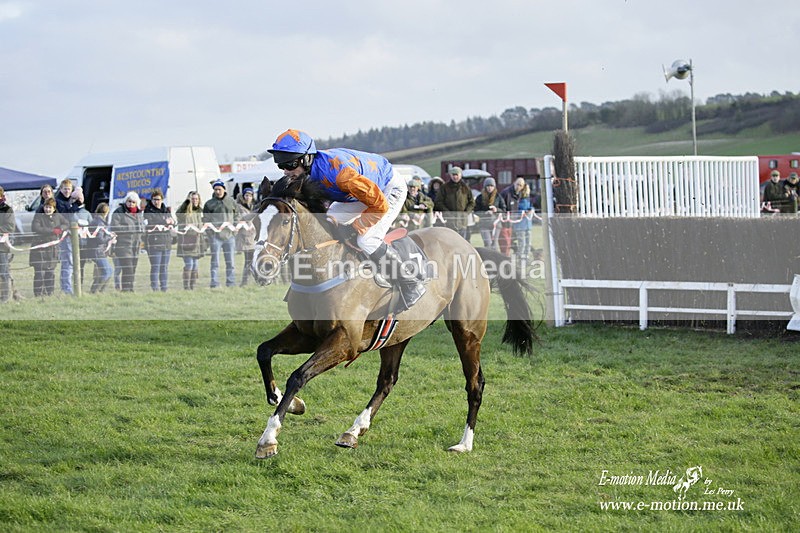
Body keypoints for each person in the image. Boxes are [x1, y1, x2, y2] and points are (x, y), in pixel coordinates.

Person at [267, 128, 425, 308]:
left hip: (386, 190)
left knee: (367, 240)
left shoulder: (341, 175)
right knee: (328, 222)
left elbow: (380, 205)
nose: (286, 171)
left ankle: (410, 282)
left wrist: (356, 226)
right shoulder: (307, 171)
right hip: (359, 193)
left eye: (290, 165)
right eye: (281, 166)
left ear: (306, 158)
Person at [29, 198, 68, 297]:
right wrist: (52, 231)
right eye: (46, 207)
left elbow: (66, 223)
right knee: (39, 274)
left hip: (52, 251)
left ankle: (49, 294)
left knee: (50, 273)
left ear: (54, 208)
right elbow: (36, 228)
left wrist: (61, 228)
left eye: (50, 207)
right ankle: (38, 295)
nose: (47, 209)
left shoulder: (58, 216)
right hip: (39, 251)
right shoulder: (39, 216)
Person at [203, 180, 238, 288]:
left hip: (229, 237)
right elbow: (205, 220)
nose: (218, 191)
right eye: (216, 189)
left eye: (219, 189)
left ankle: (231, 283)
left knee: (230, 262)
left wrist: (234, 229)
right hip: (215, 237)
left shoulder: (231, 202)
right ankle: (214, 283)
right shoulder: (209, 204)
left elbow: (237, 216)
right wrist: (210, 234)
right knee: (215, 262)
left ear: (224, 189)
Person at [111, 191, 144, 292]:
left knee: (133, 268)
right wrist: (130, 228)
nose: (131, 204)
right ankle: (125, 290)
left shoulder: (138, 213)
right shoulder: (119, 212)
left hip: (135, 245)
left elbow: (141, 227)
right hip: (123, 245)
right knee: (127, 268)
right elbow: (114, 227)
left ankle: (131, 289)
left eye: (133, 202)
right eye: (129, 201)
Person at [143, 189, 174, 292]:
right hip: (154, 242)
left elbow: (172, 222)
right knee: (155, 267)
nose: (156, 202)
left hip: (166, 241)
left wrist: (172, 222)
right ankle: (155, 288)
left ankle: (164, 288)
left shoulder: (166, 210)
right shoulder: (148, 211)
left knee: (164, 267)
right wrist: (164, 221)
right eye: (154, 199)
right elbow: (149, 224)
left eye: (158, 199)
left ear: (162, 199)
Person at [433, 167, 475, 240]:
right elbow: (438, 202)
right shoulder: (444, 187)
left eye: (457, 175)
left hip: (462, 221)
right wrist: (448, 213)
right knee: (450, 241)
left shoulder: (465, 187)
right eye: (453, 175)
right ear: (450, 175)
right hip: (449, 221)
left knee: (462, 242)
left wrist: (466, 212)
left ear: (460, 175)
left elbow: (472, 202)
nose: (455, 176)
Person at [54, 179, 80, 294]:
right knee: (68, 261)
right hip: (64, 234)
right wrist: (77, 204)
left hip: (72, 233)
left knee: (72, 261)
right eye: (65, 189)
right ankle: (66, 289)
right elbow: (66, 214)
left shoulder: (69, 199)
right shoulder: (58, 201)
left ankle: (72, 286)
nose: (67, 191)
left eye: (69, 189)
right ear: (61, 189)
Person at [176, 191, 205, 290]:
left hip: (197, 242)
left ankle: (192, 286)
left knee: (195, 265)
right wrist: (187, 202)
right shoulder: (184, 211)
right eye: (193, 199)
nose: (195, 201)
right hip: (187, 241)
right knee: (189, 264)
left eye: (196, 199)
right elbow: (178, 214)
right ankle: (186, 287)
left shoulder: (199, 211)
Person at [86, 202, 113, 293]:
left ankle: (96, 291)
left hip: (97, 250)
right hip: (97, 251)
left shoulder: (96, 221)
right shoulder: (99, 223)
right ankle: (96, 291)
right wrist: (110, 237)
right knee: (107, 272)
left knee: (106, 271)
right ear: (106, 212)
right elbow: (100, 239)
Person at [473, 177, 506, 249]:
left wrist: (496, 210)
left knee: (495, 244)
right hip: (484, 224)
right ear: (485, 187)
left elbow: (503, 210)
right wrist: (484, 213)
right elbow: (475, 210)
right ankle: (488, 258)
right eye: (488, 186)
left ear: (494, 187)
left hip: (496, 224)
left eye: (491, 186)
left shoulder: (498, 197)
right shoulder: (480, 197)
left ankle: (495, 259)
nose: (489, 188)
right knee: (487, 243)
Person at [70, 187, 93, 288]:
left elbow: (91, 227)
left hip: (84, 243)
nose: (76, 201)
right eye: (74, 199)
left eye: (78, 199)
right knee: (72, 266)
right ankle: (72, 285)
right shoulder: (70, 212)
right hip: (72, 243)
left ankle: (80, 285)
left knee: (81, 266)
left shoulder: (86, 213)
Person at [499, 177, 527, 256]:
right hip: (503, 222)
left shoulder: (519, 195)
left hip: (512, 222)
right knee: (505, 242)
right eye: (517, 184)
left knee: (510, 241)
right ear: (514, 183)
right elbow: (501, 205)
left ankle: (508, 257)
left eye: (520, 185)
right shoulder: (506, 192)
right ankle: (504, 257)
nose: (518, 187)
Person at [236, 187, 257, 286]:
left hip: (254, 237)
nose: (248, 197)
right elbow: (243, 218)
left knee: (253, 259)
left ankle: (250, 280)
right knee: (248, 260)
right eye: (246, 195)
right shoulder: (240, 207)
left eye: (250, 195)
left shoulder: (253, 206)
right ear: (243, 196)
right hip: (245, 237)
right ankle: (244, 281)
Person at [0, 186, 16, 302]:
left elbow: (10, 227)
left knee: (3, 272)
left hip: (2, 247)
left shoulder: (7, 210)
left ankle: (5, 298)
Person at [513, 181, 533, 259]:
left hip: (528, 224)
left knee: (528, 242)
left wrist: (531, 210)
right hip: (520, 224)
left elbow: (530, 206)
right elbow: (515, 209)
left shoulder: (527, 198)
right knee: (522, 242)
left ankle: (526, 256)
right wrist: (522, 212)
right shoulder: (516, 197)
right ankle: (520, 256)